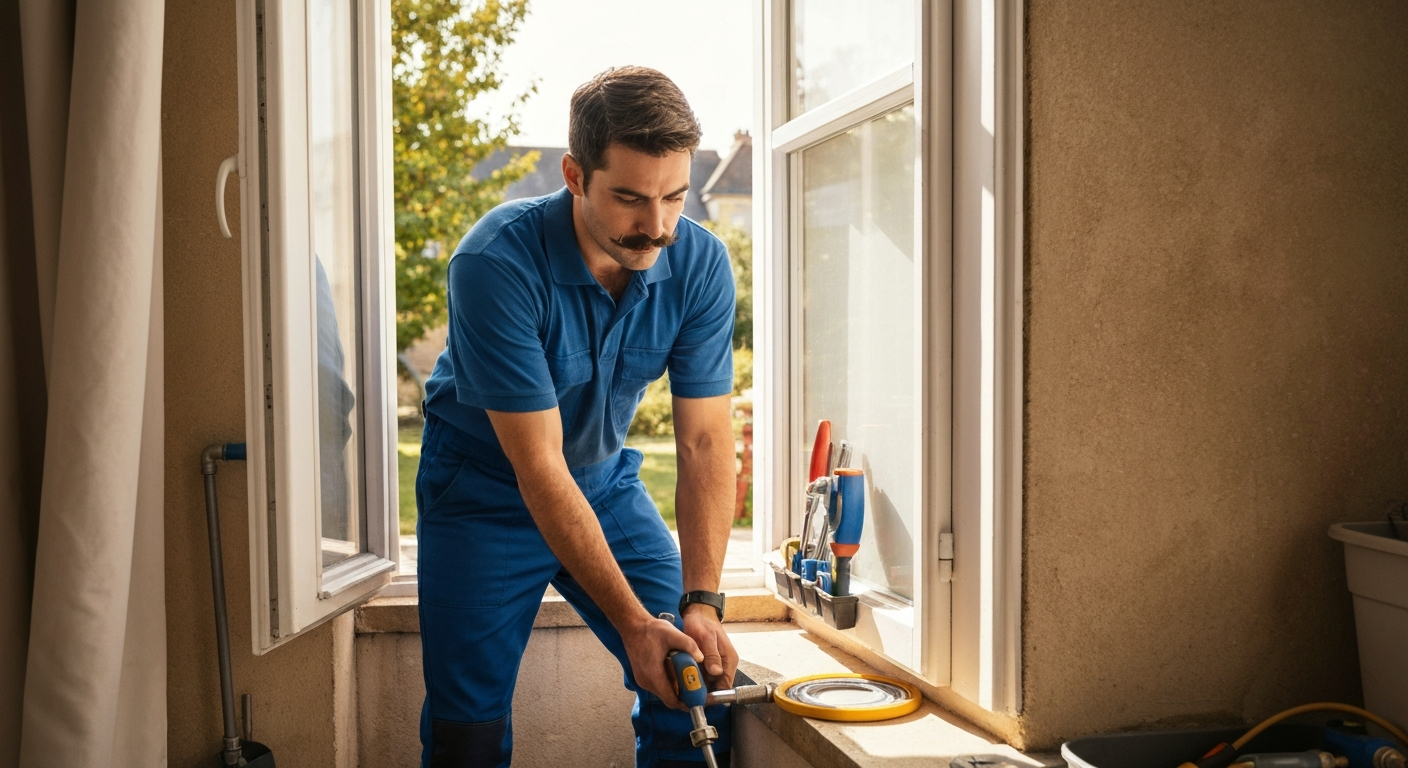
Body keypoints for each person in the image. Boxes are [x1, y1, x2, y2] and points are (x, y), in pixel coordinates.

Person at [415, 66, 740, 768]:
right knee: (465, 733)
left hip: (602, 482)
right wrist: (633, 625)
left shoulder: (702, 264)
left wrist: (703, 602)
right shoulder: (492, 263)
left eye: (674, 198)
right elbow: (536, 465)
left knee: (695, 679)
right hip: (482, 495)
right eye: (628, 198)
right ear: (573, 174)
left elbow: (708, 444)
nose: (656, 226)